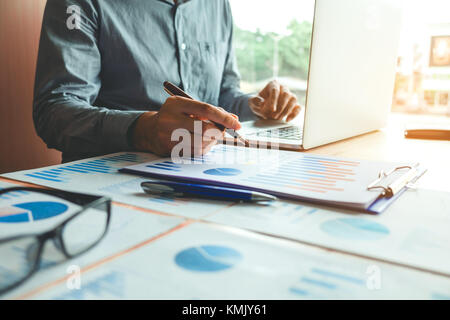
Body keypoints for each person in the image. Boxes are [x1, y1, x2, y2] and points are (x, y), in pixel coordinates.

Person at [33, 0, 301, 162]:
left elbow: (222, 95)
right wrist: (144, 131)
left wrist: (256, 106)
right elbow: (53, 112)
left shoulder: (217, 4)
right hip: (109, 184)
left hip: (206, 172)